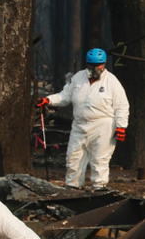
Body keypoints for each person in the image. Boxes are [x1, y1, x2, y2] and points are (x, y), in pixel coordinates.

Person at [39, 47, 129, 188]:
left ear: (103, 64)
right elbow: (65, 96)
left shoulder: (111, 82)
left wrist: (121, 126)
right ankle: (73, 187)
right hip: (80, 126)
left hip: (103, 126)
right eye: (91, 65)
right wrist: (49, 100)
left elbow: (122, 105)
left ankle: (99, 188)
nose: (94, 68)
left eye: (98, 65)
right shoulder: (78, 78)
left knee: (99, 160)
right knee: (73, 158)